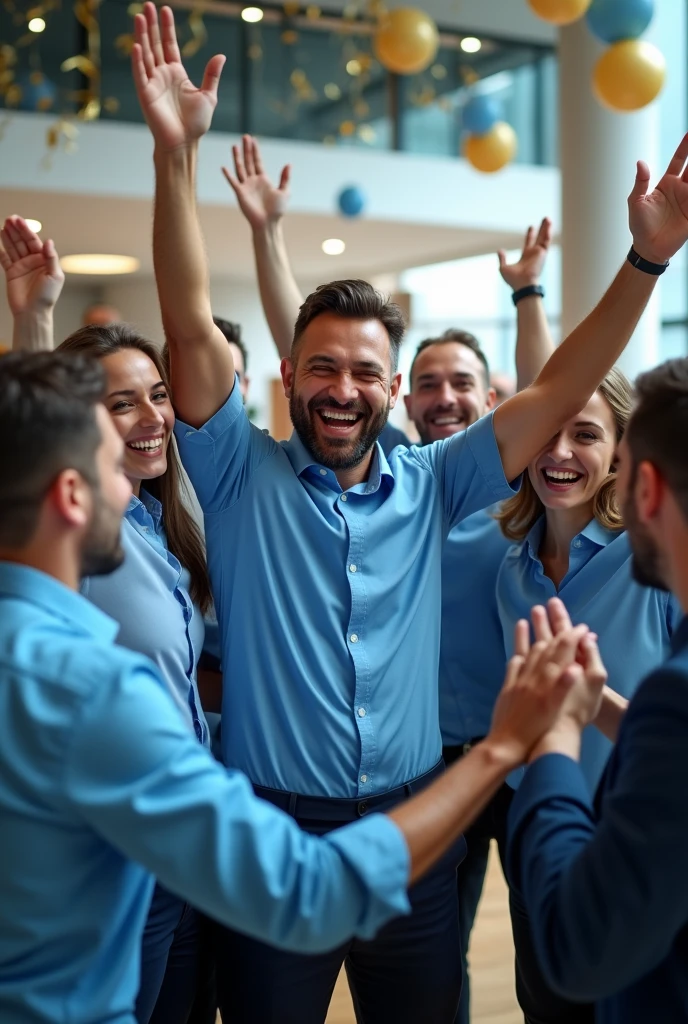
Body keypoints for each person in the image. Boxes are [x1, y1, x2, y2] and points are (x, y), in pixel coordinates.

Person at [132, 4, 688, 1019]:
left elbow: (562, 390)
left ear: (391, 392)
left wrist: (645, 261)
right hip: (272, 823)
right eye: (323, 368)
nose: (344, 389)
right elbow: (182, 317)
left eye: (366, 373)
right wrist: (174, 157)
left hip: (417, 821)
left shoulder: (438, 483)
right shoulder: (235, 472)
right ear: (289, 375)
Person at [0, 347, 598, 1024]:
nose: (132, 486)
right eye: (111, 466)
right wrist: (504, 746)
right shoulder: (90, 691)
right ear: (72, 495)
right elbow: (308, 893)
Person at [224, 140, 554, 1024]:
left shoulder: (477, 488)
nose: (445, 399)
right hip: (319, 800)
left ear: (488, 399)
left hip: (463, 767)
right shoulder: (370, 474)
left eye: (463, 386)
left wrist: (539, 292)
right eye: (432, 386)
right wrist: (267, 235)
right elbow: (319, 362)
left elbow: (557, 395)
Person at [1, 216, 219, 1024]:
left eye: (157, 396)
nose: (152, 418)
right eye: (120, 405)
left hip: (183, 839)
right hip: (125, 836)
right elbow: (33, 438)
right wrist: (32, 317)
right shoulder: (75, 532)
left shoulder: (164, 522)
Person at [506, 357, 688, 1024]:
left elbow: (587, 947)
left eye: (587, 434)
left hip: (616, 831)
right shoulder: (509, 569)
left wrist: (556, 728)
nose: (559, 451)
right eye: (546, 432)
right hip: (540, 822)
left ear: (634, 476)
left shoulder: (652, 579)